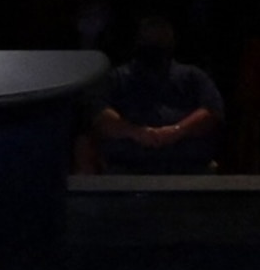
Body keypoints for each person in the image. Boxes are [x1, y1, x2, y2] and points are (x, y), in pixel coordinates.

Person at [92, 17, 222, 173]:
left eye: (160, 42)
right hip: (127, 169)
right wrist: (137, 133)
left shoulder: (192, 76)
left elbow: (212, 112)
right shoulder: (117, 78)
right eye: (149, 41)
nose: (155, 49)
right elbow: (100, 116)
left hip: (186, 168)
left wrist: (175, 131)